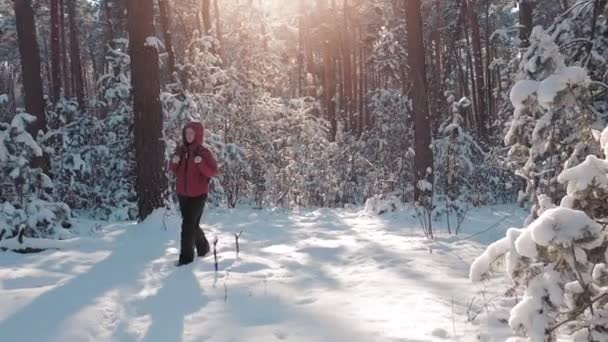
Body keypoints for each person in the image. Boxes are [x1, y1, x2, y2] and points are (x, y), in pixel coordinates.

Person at [169, 121, 219, 266]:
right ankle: (203, 248)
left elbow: (213, 171)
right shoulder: (181, 150)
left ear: (197, 134)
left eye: (191, 133)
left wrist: (201, 163)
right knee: (191, 224)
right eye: (187, 133)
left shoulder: (203, 152)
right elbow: (173, 169)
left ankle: (186, 259)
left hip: (198, 194)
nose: (189, 135)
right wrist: (174, 161)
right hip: (183, 194)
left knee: (187, 225)